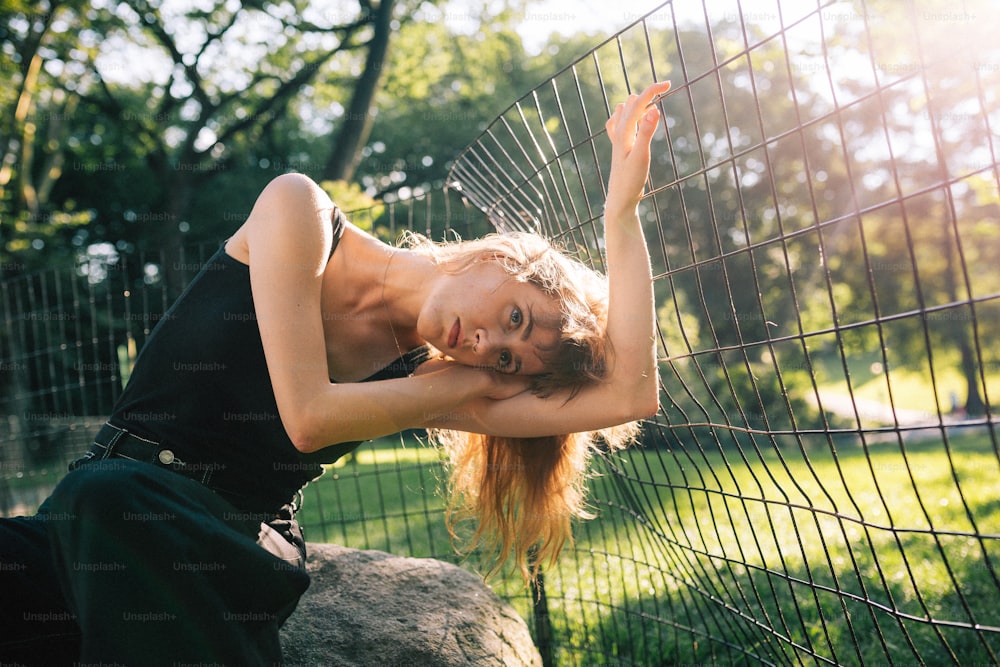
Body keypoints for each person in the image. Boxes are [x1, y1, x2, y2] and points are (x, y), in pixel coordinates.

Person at [0, 81, 669, 665]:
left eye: (505, 362)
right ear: (502, 254)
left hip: (217, 543)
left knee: (112, 500)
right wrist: (468, 384)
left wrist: (621, 214)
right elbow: (309, 409)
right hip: (89, 518)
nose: (488, 345)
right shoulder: (302, 211)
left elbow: (632, 391)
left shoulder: (439, 380)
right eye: (516, 319)